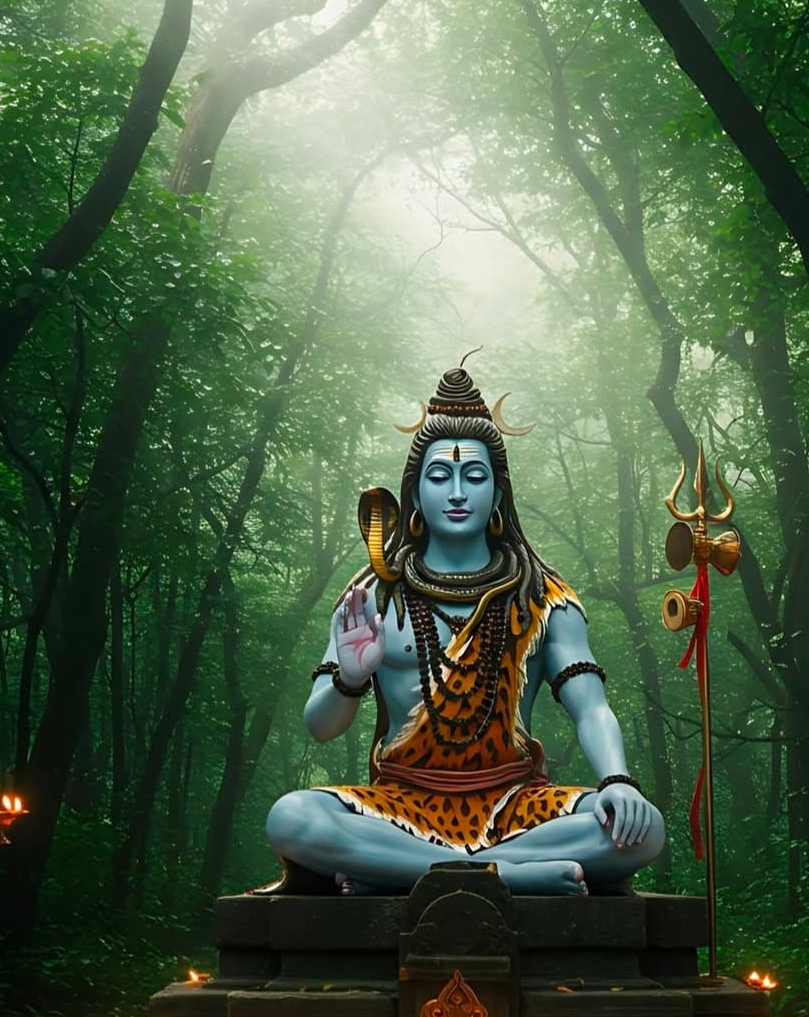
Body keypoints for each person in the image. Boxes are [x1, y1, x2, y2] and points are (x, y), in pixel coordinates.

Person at [265, 365, 665, 895]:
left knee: (644, 829)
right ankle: (504, 877)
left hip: (516, 805)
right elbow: (320, 726)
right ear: (414, 490)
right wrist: (351, 678)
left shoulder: (542, 594)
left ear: (499, 492)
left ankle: (410, 873)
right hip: (400, 803)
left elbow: (590, 705)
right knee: (292, 816)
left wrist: (617, 781)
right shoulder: (377, 593)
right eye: (439, 476)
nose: (457, 492)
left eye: (474, 477)